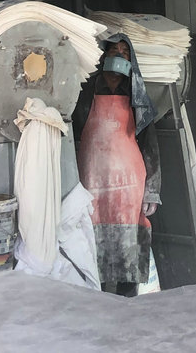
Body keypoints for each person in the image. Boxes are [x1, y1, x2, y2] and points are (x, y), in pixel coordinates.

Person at [73, 33, 161, 296]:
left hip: (128, 184)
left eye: (124, 52)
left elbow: (150, 147)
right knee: (91, 239)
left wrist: (152, 190)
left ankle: (127, 297)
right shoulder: (86, 91)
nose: (119, 55)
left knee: (128, 243)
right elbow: (73, 136)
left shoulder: (138, 98)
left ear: (131, 60)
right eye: (114, 50)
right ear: (104, 56)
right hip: (92, 180)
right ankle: (96, 297)